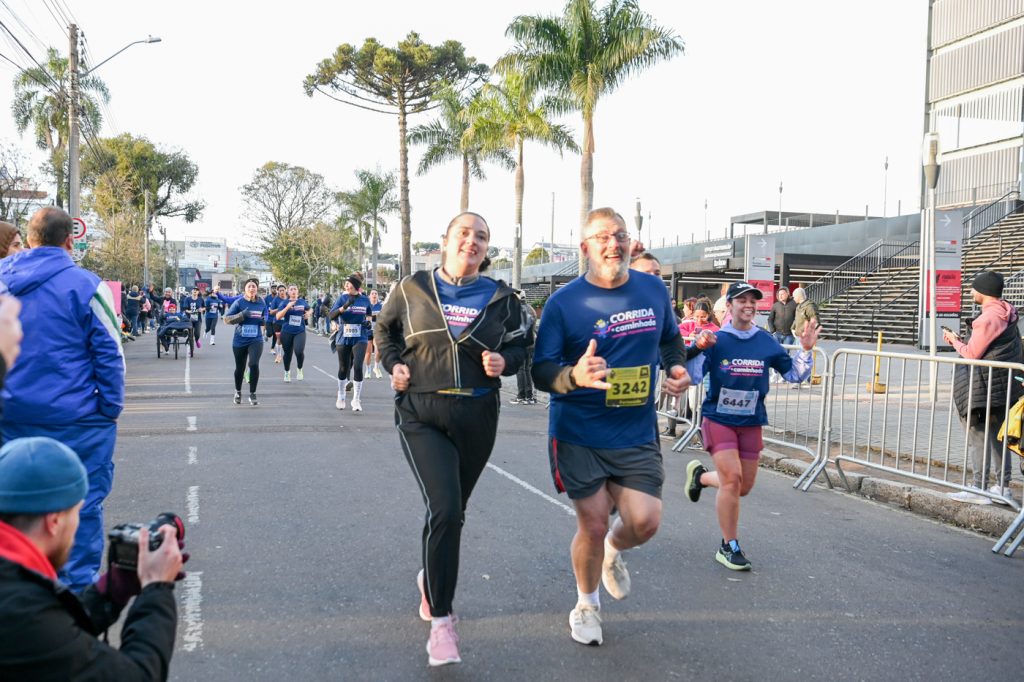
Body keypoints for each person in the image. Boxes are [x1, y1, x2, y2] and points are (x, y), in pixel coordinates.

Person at [376, 212, 532, 666]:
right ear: (445, 241)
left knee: (451, 512)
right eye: (464, 233)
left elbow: (523, 344)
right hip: (421, 411)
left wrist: (505, 362)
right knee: (445, 507)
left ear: (487, 249)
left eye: (481, 236)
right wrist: (393, 364)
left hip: (478, 415)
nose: (472, 241)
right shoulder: (412, 288)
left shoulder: (503, 299)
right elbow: (385, 330)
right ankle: (442, 622)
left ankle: (432, 578)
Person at [531, 207, 690, 647]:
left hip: (635, 429)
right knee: (594, 523)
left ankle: (612, 553)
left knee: (645, 521)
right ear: (585, 247)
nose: (612, 244)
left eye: (619, 235)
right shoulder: (564, 303)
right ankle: (586, 605)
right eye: (602, 237)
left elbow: (670, 339)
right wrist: (574, 376)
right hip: (579, 431)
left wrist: (676, 367)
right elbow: (540, 370)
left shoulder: (652, 289)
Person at [0, 207, 124, 592]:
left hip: (9, 417)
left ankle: (18, 597)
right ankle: (76, 604)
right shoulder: (87, 285)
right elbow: (110, 354)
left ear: (29, 240)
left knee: (11, 510)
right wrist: (109, 409)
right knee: (80, 509)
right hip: (77, 421)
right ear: (70, 240)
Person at [0, 436, 183, 679]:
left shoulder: (14, 584)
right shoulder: (22, 611)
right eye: (77, 512)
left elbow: (54, 642)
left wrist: (109, 591)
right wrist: (157, 588)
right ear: (54, 521)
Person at [683, 281, 819, 571]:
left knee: (742, 486)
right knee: (732, 480)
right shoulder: (716, 339)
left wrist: (806, 350)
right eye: (741, 300)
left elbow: (794, 375)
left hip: (751, 421)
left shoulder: (765, 341)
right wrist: (697, 348)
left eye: (752, 301)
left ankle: (701, 478)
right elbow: (692, 376)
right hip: (718, 418)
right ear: (729, 306)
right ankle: (728, 545)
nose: (748, 305)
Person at [943, 271, 1024, 505]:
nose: (971, 292)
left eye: (974, 288)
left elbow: (971, 354)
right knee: (1000, 437)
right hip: (1003, 386)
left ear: (984, 291)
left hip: (985, 387)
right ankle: (1002, 488)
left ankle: (979, 489)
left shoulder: (988, 317)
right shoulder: (1008, 312)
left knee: (978, 437)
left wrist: (954, 341)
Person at [223, 278, 267, 406]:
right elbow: (226, 319)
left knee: (253, 364)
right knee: (240, 368)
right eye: (249, 286)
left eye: (254, 286)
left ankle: (253, 393)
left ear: (257, 289)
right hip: (240, 340)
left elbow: (265, 315)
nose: (252, 288)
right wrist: (241, 315)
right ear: (245, 289)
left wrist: (264, 320)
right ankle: (238, 391)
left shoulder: (261, 302)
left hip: (256, 339)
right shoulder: (239, 302)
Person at [330, 275, 371, 411]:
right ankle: (341, 395)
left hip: (360, 336)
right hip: (344, 336)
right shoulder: (342, 298)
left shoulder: (365, 299)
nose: (346, 286)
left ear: (356, 286)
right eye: (345, 284)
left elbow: (369, 314)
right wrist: (344, 307)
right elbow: (331, 315)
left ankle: (356, 399)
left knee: (358, 366)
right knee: (344, 368)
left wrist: (368, 322)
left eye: (349, 284)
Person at [276, 284, 309, 382]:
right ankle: (287, 372)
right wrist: (287, 307)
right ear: (288, 292)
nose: (293, 291)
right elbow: (278, 316)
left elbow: (309, 309)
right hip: (287, 331)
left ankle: (299, 369)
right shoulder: (284, 302)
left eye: (295, 289)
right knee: (288, 354)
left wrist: (308, 313)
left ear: (297, 291)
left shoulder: (302, 301)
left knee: (299, 351)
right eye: (291, 289)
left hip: (300, 331)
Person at [363, 289, 384, 379]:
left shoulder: (381, 305)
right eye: (372, 293)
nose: (374, 295)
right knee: (368, 352)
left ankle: (376, 367)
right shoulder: (366, 305)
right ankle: (368, 370)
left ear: (377, 296)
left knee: (378, 350)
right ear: (369, 296)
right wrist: (374, 316)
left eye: (376, 293)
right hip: (368, 330)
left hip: (377, 330)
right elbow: (365, 317)